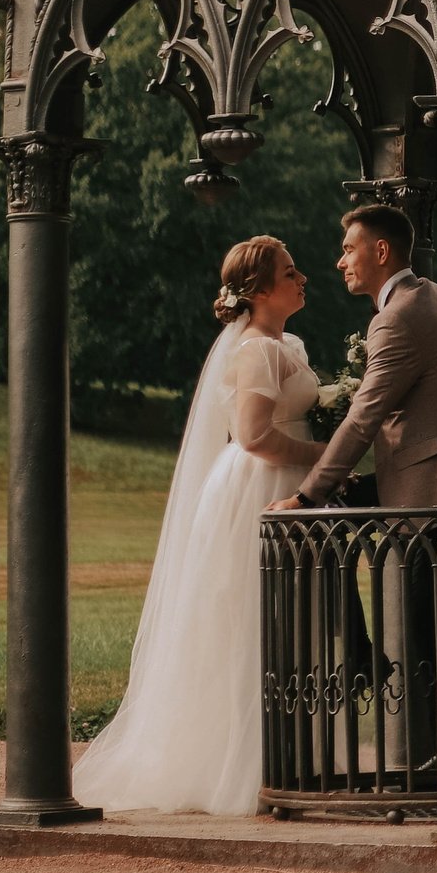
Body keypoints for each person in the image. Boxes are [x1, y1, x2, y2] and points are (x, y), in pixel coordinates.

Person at [72, 237, 324, 815]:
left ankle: (284, 759)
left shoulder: (290, 345)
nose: (302, 277)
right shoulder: (256, 351)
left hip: (285, 484)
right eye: (290, 272)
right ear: (260, 292)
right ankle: (239, 767)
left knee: (288, 624)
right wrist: (328, 453)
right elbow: (256, 436)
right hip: (259, 485)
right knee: (247, 621)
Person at [269, 203, 437, 772]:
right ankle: (362, 656)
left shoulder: (398, 316)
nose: (340, 261)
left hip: (434, 500)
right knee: (429, 621)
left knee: (423, 623)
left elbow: (363, 419)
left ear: (381, 252)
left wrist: (305, 496)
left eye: (350, 249)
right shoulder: (435, 295)